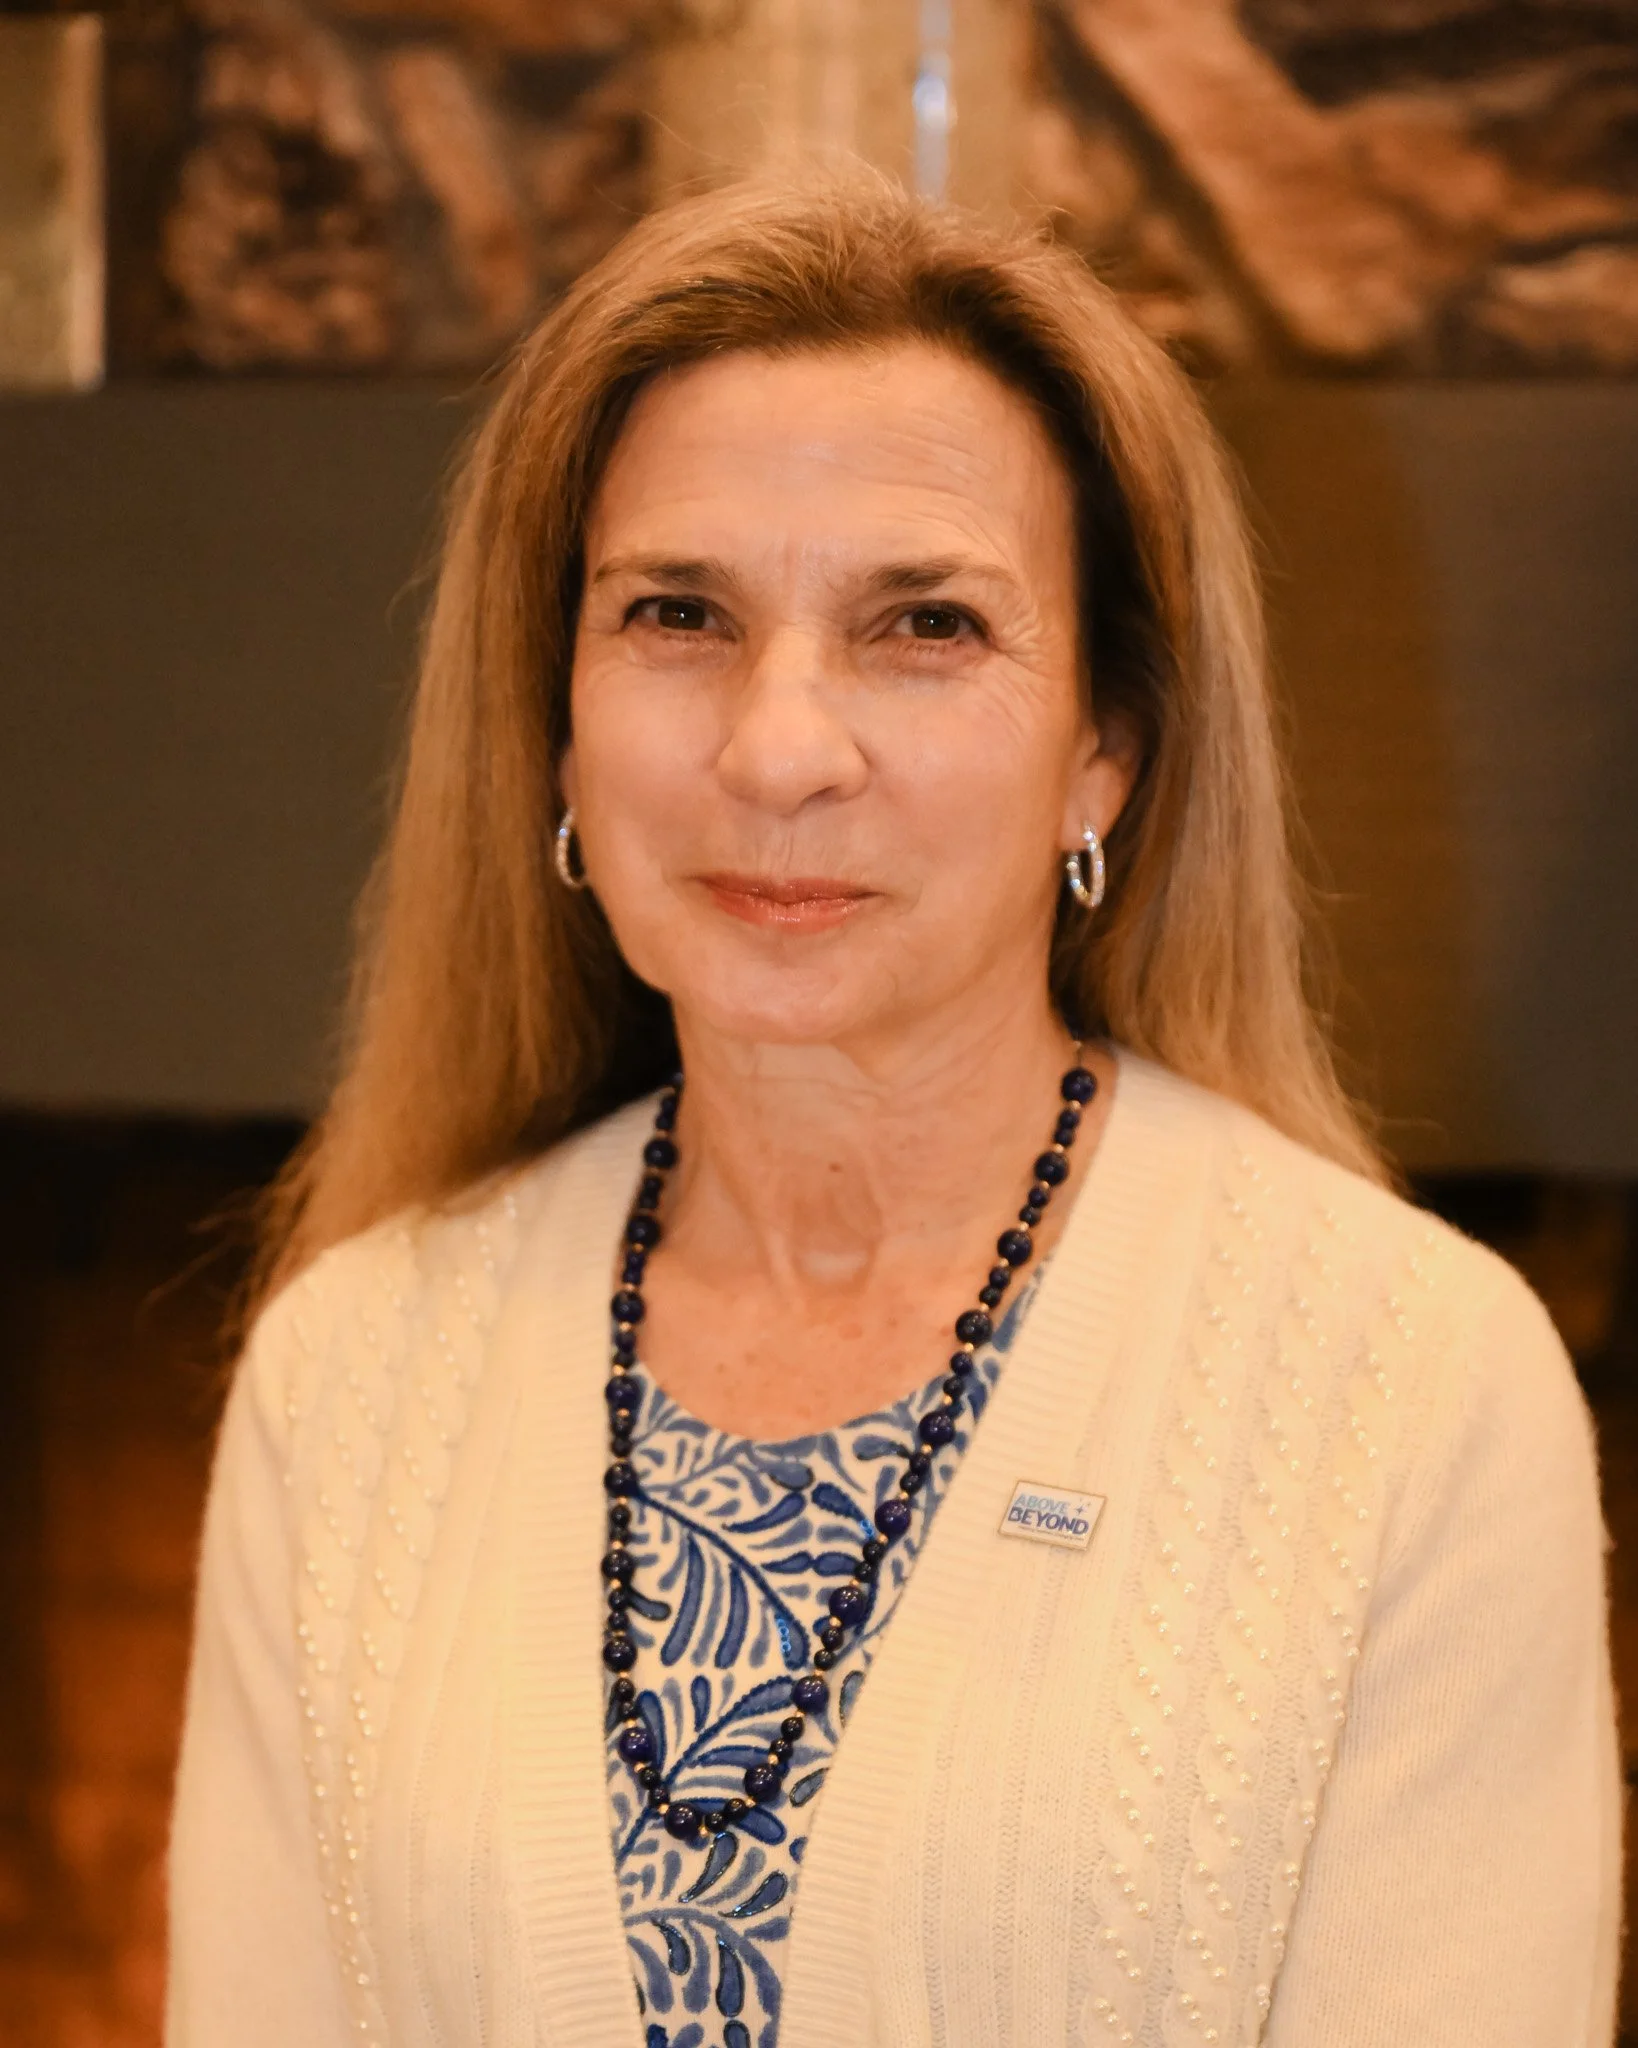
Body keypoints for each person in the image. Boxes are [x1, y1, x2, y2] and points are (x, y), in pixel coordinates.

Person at [165, 174, 1622, 2048]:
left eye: (923, 624)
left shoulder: (1407, 1387)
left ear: (1106, 747)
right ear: (553, 721)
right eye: (676, 612)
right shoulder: (354, 1375)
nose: (779, 748)